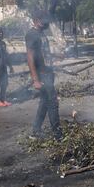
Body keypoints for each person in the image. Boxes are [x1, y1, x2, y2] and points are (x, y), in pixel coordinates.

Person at [26, 11, 63, 141]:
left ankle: (35, 131)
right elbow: (30, 57)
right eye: (43, 20)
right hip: (42, 74)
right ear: (36, 20)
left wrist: (56, 56)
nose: (46, 22)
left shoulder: (41, 34)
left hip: (48, 72)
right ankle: (58, 135)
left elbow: (43, 53)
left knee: (44, 102)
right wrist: (35, 80)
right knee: (53, 102)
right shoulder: (31, 34)